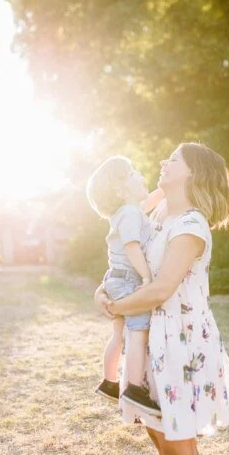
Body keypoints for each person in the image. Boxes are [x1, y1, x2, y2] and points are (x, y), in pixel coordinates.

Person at [96, 142, 229, 455]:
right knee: (160, 439)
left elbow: (160, 289)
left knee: (181, 450)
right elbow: (128, 231)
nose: (163, 163)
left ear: (192, 174)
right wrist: (106, 295)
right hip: (153, 343)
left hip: (180, 347)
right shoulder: (159, 217)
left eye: (173, 160)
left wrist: (118, 305)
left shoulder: (192, 226)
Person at [85, 155, 165, 415]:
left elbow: (149, 201)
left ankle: (109, 381)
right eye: (133, 174)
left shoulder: (127, 211)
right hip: (129, 279)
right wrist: (145, 277)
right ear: (120, 189)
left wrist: (164, 189)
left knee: (118, 335)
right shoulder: (131, 214)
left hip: (115, 278)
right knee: (138, 332)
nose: (140, 175)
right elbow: (132, 247)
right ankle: (134, 388)